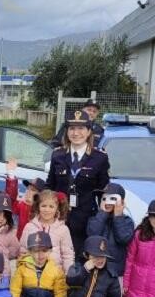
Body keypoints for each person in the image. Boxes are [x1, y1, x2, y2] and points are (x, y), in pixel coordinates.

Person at [46, 109, 110, 256]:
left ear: (89, 132)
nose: (76, 133)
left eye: (81, 128)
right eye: (72, 128)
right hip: (59, 220)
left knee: (81, 262)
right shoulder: (58, 155)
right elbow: (50, 186)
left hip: (86, 221)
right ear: (67, 132)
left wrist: (103, 219)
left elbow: (103, 192)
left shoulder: (99, 158)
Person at [86, 182, 135, 297]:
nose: (108, 201)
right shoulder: (96, 218)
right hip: (97, 270)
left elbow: (124, 238)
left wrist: (118, 216)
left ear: (122, 202)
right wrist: (101, 213)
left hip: (116, 271)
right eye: (104, 198)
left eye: (113, 198)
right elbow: (92, 233)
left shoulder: (127, 221)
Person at [4, 158, 44, 239]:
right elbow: (10, 201)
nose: (28, 191)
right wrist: (11, 174)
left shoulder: (43, 209)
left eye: (33, 190)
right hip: (20, 243)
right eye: (28, 189)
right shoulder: (22, 205)